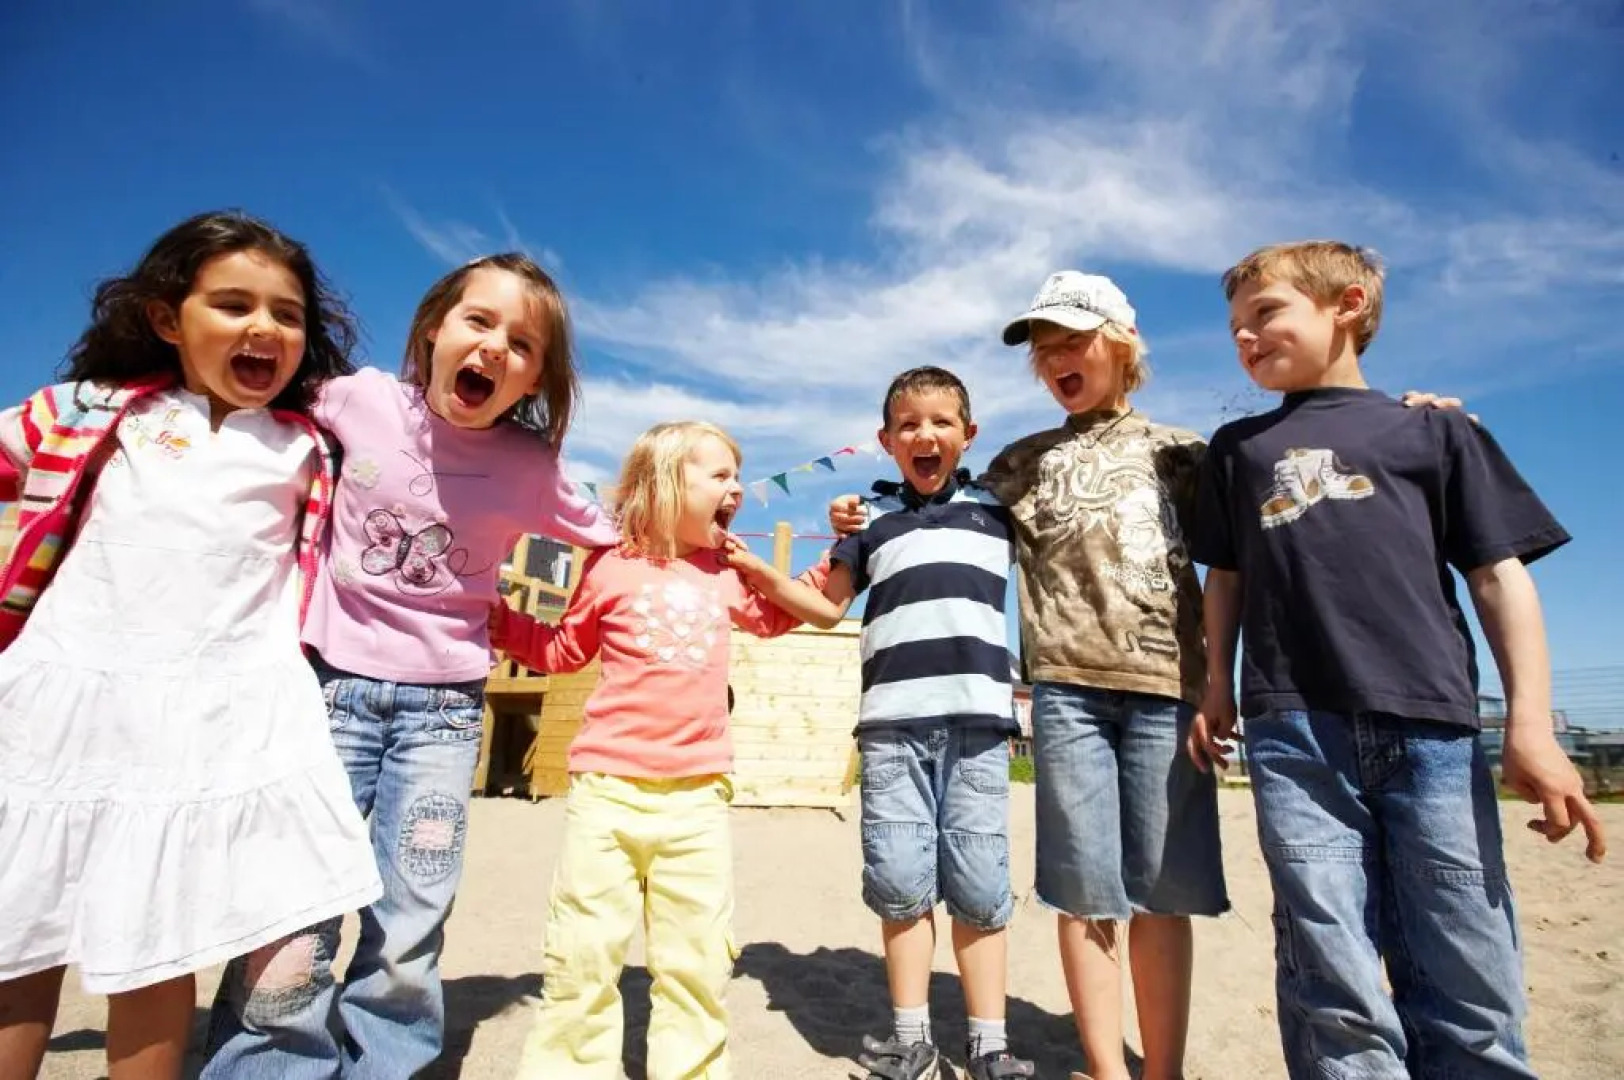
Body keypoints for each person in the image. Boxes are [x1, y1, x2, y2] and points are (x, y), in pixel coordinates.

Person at [1190, 239, 1607, 1079]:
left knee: (1466, 963)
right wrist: (1215, 687)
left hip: (1436, 734)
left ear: (1347, 305)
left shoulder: (1435, 428)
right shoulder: (1237, 450)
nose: (1245, 336)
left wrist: (1530, 723)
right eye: (1235, 326)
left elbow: (1498, 577)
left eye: (1265, 313)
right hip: (1294, 733)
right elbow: (1224, 581)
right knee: (1328, 968)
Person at [203, 253, 620, 1078]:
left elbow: (613, 544)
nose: (494, 347)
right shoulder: (357, 398)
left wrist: (553, 633)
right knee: (296, 900)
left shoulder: (529, 467)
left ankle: (383, 1062)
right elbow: (252, 396)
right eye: (478, 322)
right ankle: (269, 1062)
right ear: (433, 330)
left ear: (537, 378)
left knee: (412, 908)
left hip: (444, 710)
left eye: (524, 344)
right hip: (327, 692)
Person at [0, 210, 381, 1080]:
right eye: (234, 304)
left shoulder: (306, 449)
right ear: (169, 320)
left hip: (208, 715)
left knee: (159, 945)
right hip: (66, 703)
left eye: (287, 315)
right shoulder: (89, 414)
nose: (265, 328)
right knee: (17, 943)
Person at [491, 420, 825, 1080]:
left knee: (695, 962)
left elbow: (782, 614)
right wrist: (498, 616)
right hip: (606, 792)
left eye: (739, 476)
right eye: (721, 475)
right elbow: (561, 650)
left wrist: (844, 548)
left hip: (698, 798)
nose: (738, 489)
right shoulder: (609, 566)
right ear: (667, 483)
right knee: (582, 954)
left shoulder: (726, 573)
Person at [747, 367, 1033, 1080]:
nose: (925, 434)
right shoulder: (870, 519)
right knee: (901, 883)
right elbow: (827, 606)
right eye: (908, 425)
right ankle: (913, 1041)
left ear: (969, 436)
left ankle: (988, 1044)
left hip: (978, 727)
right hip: (891, 730)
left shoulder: (1000, 510)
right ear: (885, 441)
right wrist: (755, 573)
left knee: (978, 885)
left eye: (941, 421)